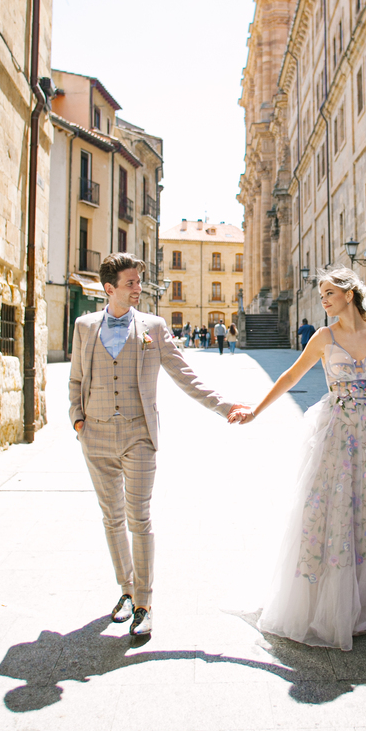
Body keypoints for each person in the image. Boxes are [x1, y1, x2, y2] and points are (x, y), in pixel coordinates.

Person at [229, 268, 366, 651]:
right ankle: (328, 601)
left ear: (349, 295)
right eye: (321, 295)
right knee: (329, 508)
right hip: (335, 434)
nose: (324, 299)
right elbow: (289, 376)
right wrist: (255, 410)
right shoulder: (323, 337)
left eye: (330, 293)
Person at [69, 253, 246, 638]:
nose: (138, 288)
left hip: (139, 435)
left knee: (139, 517)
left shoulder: (154, 327)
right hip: (95, 435)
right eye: (131, 282)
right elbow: (75, 379)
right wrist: (77, 420)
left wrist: (226, 406)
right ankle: (126, 591)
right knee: (111, 518)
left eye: (139, 281)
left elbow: (186, 375)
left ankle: (145, 603)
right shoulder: (84, 327)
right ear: (109, 288)